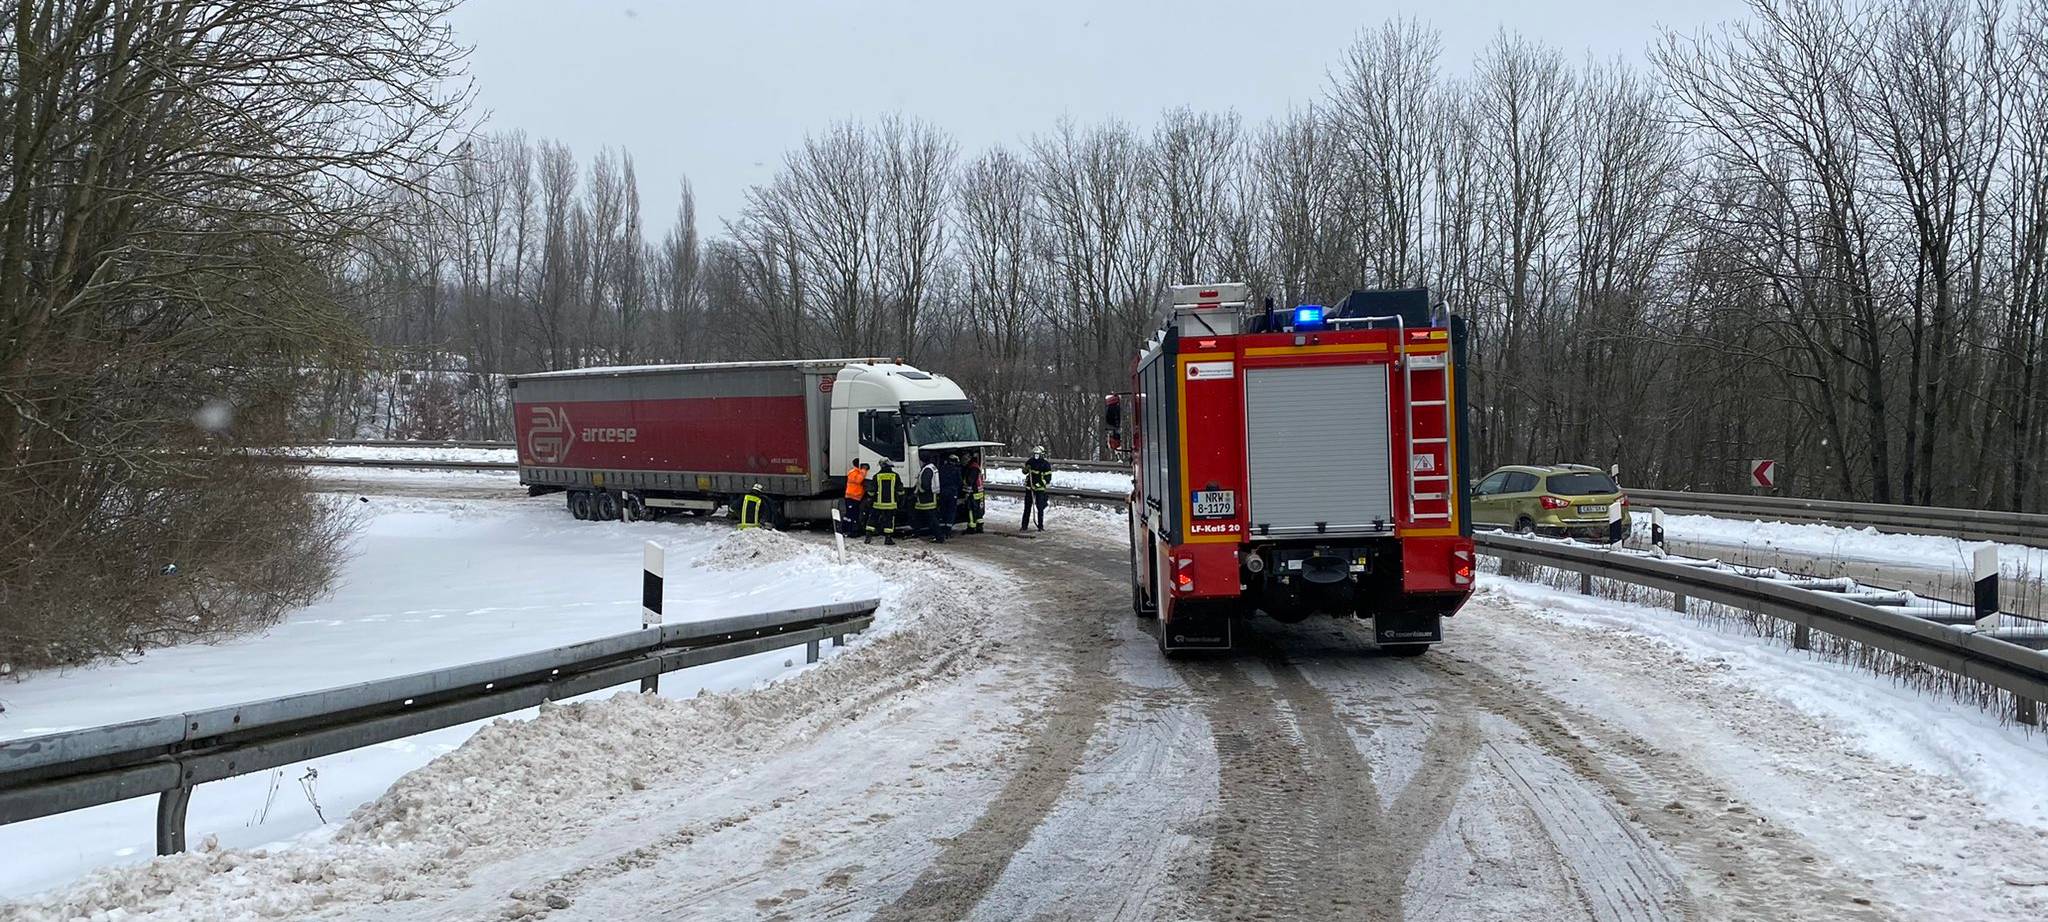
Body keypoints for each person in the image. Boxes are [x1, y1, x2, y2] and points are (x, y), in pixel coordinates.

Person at [867, 459, 900, 545]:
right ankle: (888, 539)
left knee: (872, 519)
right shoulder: (895, 476)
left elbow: (871, 492)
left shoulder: (876, 476)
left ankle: (868, 537)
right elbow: (900, 491)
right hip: (891, 504)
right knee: (889, 521)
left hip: (878, 504)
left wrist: (872, 498)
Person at [1021, 446, 1053, 531]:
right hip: (1029, 488)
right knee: (1027, 507)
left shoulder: (1045, 464)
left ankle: (1040, 526)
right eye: (1035, 454)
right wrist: (1025, 469)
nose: (1036, 456)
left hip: (1040, 489)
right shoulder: (1030, 462)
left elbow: (1048, 478)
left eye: (1038, 454)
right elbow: (1025, 472)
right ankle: (1024, 526)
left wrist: (1038, 485)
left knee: (1040, 507)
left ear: (1042, 454)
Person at [935, 453, 963, 543]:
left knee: (943, 510)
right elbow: (960, 482)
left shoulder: (941, 469)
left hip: (942, 492)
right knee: (951, 511)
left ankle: (942, 529)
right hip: (952, 493)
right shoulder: (956, 470)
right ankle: (948, 530)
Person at [913, 453, 940, 540]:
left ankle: (938, 536)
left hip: (926, 498)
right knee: (920, 516)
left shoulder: (927, 469)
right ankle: (917, 533)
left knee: (931, 518)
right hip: (930, 497)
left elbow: (925, 484)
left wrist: (919, 490)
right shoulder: (931, 467)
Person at [841, 461, 868, 537]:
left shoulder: (857, 472)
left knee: (852, 515)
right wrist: (864, 470)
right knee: (851, 515)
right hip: (852, 497)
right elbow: (858, 480)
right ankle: (849, 530)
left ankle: (849, 530)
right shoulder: (853, 472)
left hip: (855, 497)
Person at [964, 454, 985, 534]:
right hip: (978, 492)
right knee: (978, 510)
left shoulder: (972, 468)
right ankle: (979, 527)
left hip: (973, 492)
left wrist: (966, 493)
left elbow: (970, 482)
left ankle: (971, 527)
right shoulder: (976, 466)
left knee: (971, 510)